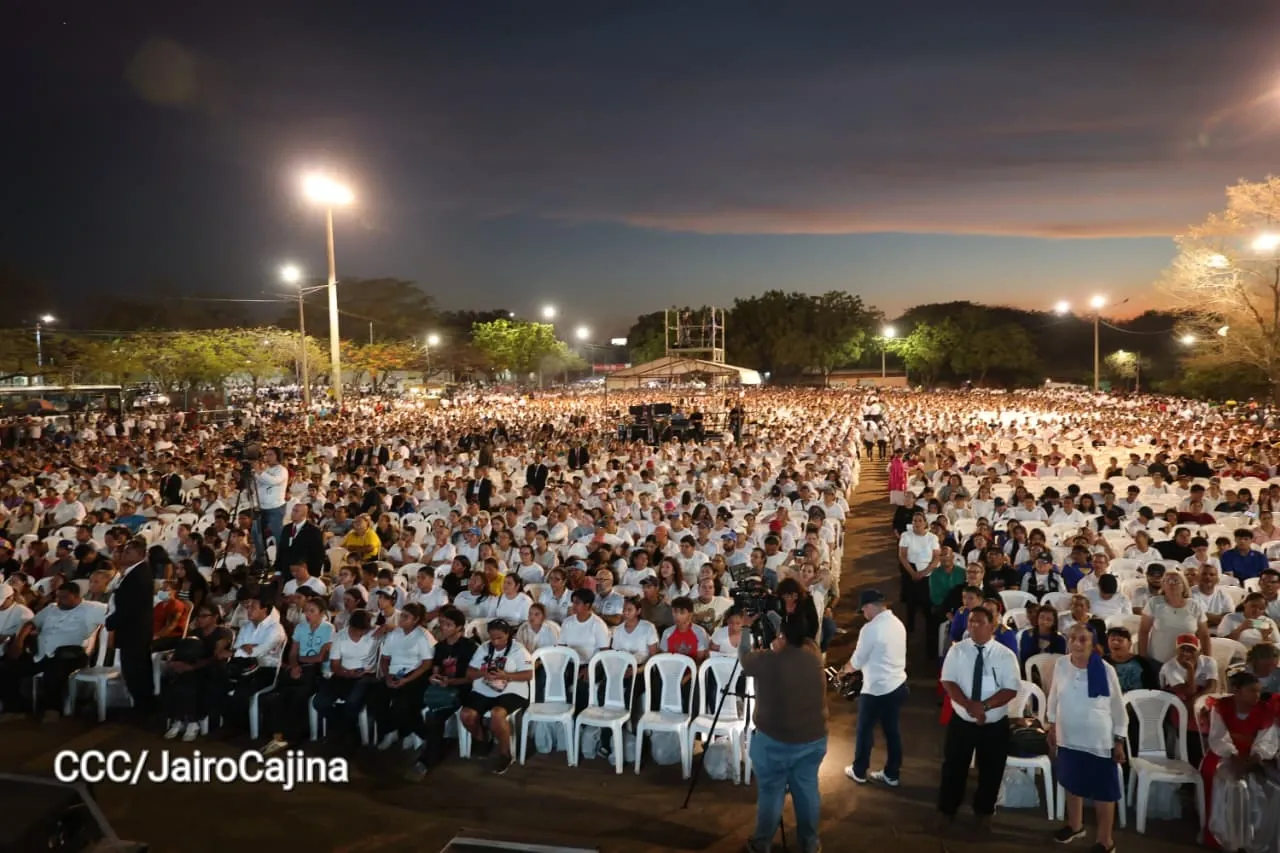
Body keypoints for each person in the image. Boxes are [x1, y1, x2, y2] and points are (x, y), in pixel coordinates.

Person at [738, 606, 828, 853]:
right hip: (813, 738)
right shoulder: (813, 651)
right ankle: (810, 844)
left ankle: (762, 843)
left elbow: (745, 657)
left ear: (783, 636)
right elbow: (794, 633)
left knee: (771, 792)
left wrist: (746, 626)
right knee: (807, 790)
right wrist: (771, 612)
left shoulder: (768, 660)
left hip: (774, 741)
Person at [936, 605, 1021, 832]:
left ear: (992, 626)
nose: (973, 626)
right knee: (954, 765)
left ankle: (984, 811)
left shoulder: (1005, 656)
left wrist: (983, 706)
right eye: (971, 621)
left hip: (993, 724)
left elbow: (1010, 689)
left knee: (991, 769)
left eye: (979, 622)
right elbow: (948, 681)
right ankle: (947, 809)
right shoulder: (958, 650)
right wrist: (969, 707)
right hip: (962, 720)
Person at [1046, 624, 1127, 852]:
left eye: (1083, 639)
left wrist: (1119, 740)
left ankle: (1105, 841)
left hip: (1098, 740)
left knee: (1103, 792)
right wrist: (1051, 724)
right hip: (1068, 736)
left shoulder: (1105, 669)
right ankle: (1075, 825)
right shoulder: (1061, 664)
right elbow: (1053, 696)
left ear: (1093, 644)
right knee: (1072, 783)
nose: (1077, 643)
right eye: (1072, 638)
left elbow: (1118, 707)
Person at [1201, 671, 1280, 851]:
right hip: (1223, 753)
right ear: (1237, 690)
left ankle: (1256, 839)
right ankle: (1224, 836)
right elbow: (1218, 737)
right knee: (1227, 783)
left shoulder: (1265, 711)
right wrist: (1234, 756)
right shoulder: (1221, 707)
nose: (1257, 695)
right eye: (1252, 690)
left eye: (1259, 691)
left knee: (1268, 786)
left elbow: (1267, 740)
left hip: (1253, 756)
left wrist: (1256, 756)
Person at [841, 589, 908, 787]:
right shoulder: (897, 623)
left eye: (863, 610)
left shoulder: (871, 629)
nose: (864, 614)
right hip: (897, 685)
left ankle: (859, 771)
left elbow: (857, 661)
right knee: (892, 732)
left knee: (864, 731)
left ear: (870, 607)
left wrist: (844, 671)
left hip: (876, 689)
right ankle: (892, 774)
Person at [406, 606, 478, 781]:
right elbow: (436, 669)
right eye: (442, 624)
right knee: (412, 705)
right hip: (443, 689)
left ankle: (425, 761)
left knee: (434, 716)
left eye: (448, 625)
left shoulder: (469, 647)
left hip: (462, 690)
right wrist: (435, 677)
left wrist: (450, 682)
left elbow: (471, 678)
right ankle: (432, 745)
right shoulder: (440, 647)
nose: (443, 628)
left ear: (460, 627)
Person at [460, 618, 533, 775]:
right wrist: (483, 673)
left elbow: (528, 674)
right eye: (492, 638)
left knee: (497, 714)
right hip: (484, 690)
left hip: (511, 691)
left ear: (508, 635)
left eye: (499, 638)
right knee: (467, 715)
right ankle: (482, 739)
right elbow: (469, 673)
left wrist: (506, 675)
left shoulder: (518, 650)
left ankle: (505, 754)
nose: (495, 641)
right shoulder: (484, 648)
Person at [162, 603, 232, 741]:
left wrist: (193, 667)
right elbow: (183, 650)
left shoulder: (223, 633)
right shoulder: (195, 633)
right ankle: (179, 719)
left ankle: (192, 722)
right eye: (199, 616)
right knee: (176, 678)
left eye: (204, 616)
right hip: (192, 668)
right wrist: (176, 662)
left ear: (215, 617)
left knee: (190, 679)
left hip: (212, 669)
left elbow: (216, 656)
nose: (200, 619)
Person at [105, 537, 156, 711]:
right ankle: (142, 705)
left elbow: (130, 606)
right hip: (133, 630)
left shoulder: (139, 574)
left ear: (140, 554)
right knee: (134, 669)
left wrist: (112, 621)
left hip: (135, 631)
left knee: (136, 670)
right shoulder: (134, 572)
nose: (124, 554)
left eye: (129, 551)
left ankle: (144, 707)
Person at [253, 448, 289, 561]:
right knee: (256, 531)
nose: (267, 457)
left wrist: (260, 471)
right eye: (266, 455)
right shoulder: (266, 469)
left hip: (275, 508)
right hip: (261, 507)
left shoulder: (282, 470)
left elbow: (273, 481)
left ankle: (281, 560)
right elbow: (258, 483)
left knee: (277, 535)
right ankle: (261, 559)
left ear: (278, 456)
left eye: (270, 455)